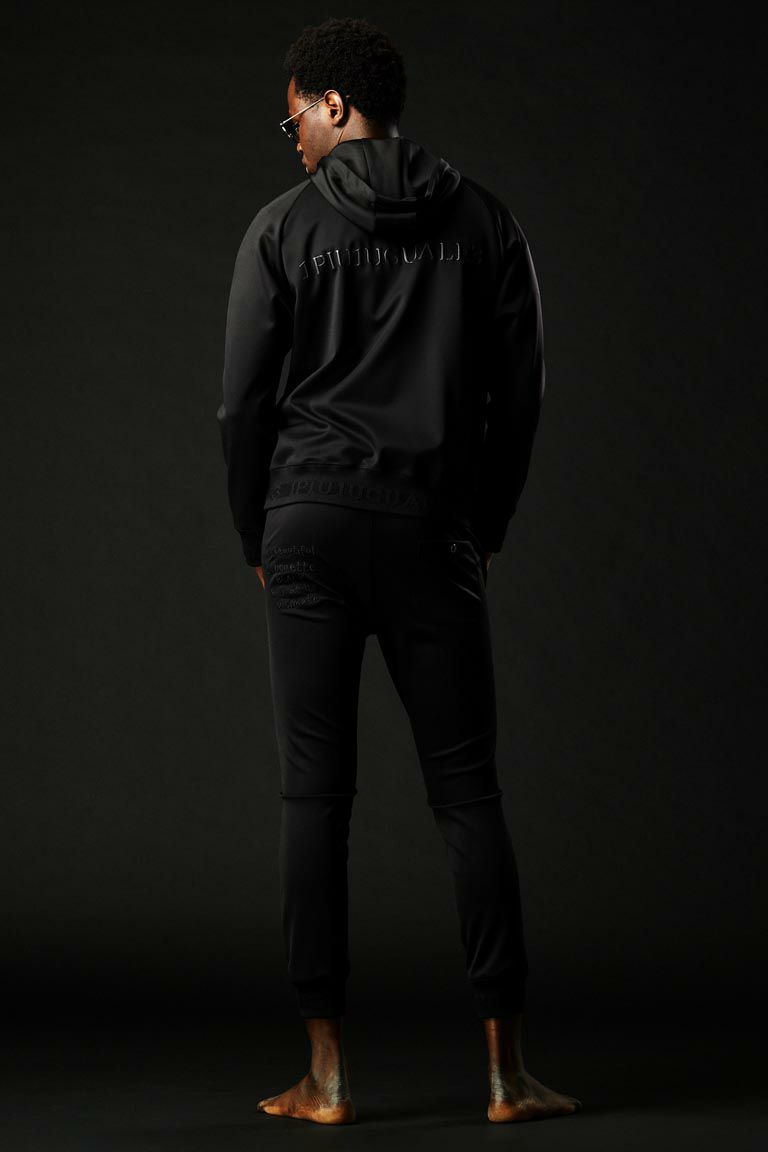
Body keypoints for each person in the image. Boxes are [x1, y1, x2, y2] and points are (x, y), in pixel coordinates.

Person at [217, 16, 582, 1126]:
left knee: (314, 798)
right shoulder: (485, 223)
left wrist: (257, 536)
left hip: (310, 525)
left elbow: (241, 406)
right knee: (467, 793)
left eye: (294, 116)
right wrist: (486, 525)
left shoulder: (282, 228)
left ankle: (325, 1079)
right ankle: (505, 1076)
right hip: (433, 530)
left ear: (335, 105)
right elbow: (522, 395)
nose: (292, 139)